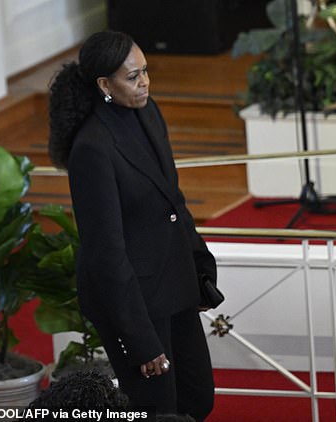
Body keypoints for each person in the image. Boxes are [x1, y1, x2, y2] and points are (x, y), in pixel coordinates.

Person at [48, 30, 217, 420]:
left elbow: (172, 198)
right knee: (158, 410)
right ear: (104, 85)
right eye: (133, 76)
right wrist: (141, 341)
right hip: (133, 300)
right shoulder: (91, 148)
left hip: (173, 282)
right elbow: (106, 253)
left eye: (146, 71)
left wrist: (200, 266)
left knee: (198, 399)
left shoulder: (147, 111)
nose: (145, 83)